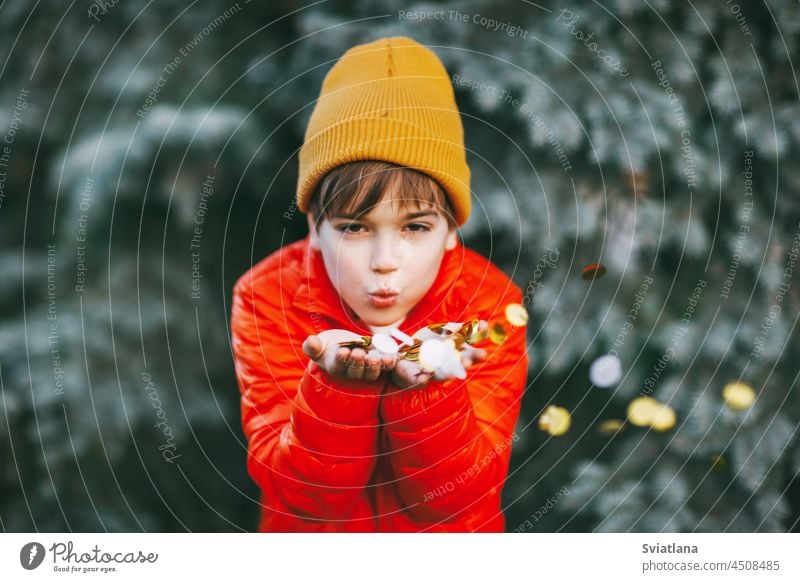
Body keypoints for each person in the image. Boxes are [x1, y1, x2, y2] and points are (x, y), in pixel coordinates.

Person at [231, 36, 528, 532]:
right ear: (314, 230)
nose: (385, 261)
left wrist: (431, 390)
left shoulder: (489, 307)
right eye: (354, 227)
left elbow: (454, 500)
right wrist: (337, 384)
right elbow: (305, 498)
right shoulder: (268, 298)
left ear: (452, 230)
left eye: (415, 227)